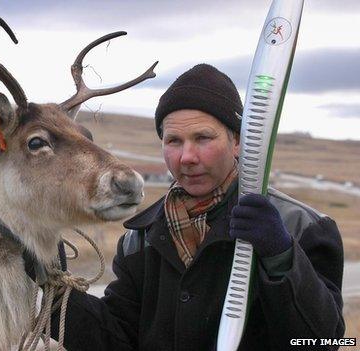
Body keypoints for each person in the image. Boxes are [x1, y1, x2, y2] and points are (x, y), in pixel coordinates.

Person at [50, 64, 345, 350]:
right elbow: (115, 339)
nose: (187, 157)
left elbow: (326, 341)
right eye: (174, 141)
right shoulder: (139, 240)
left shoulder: (302, 227)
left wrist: (282, 257)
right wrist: (53, 290)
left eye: (203, 138)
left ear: (238, 141)